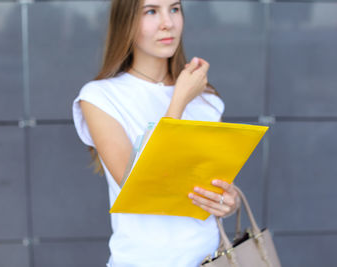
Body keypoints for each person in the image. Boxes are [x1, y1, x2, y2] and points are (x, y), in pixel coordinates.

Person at [72, 0, 240, 266]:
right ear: (126, 22)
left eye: (174, 9)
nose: (168, 23)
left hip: (209, 259)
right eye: (151, 11)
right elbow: (136, 187)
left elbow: (207, 183)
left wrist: (230, 200)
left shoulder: (206, 100)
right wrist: (179, 101)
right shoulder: (100, 97)